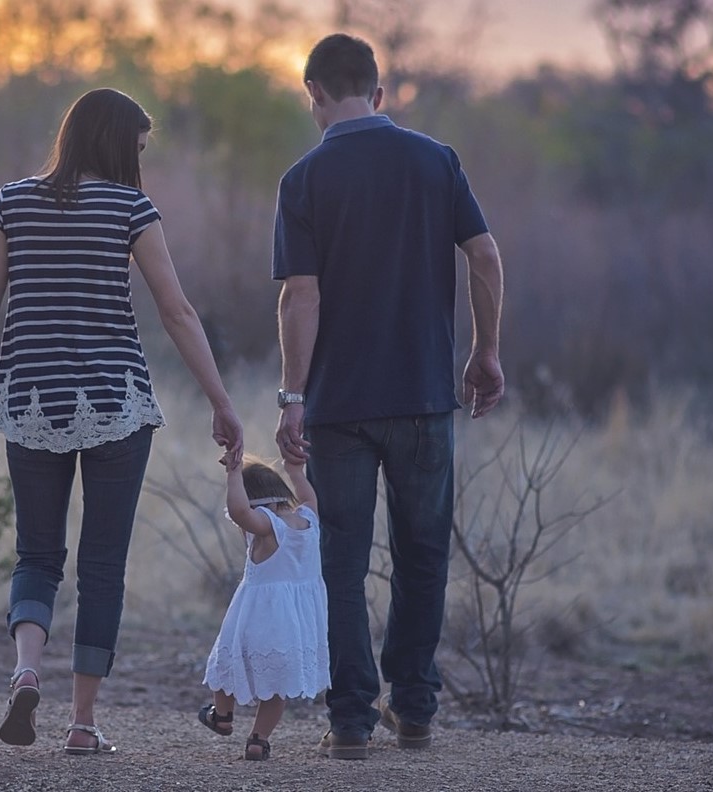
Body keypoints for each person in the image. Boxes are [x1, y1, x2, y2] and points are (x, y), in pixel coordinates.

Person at [0, 87, 243, 755]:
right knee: (102, 566)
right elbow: (177, 312)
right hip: (117, 404)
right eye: (137, 148)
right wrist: (221, 401)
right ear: (117, 144)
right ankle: (82, 723)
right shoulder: (130, 208)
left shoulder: (10, 203)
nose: (139, 161)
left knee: (36, 555)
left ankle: (26, 669)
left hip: (30, 402)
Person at [272, 34, 506, 759]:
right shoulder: (436, 161)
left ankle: (350, 721)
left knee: (341, 562)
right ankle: (414, 709)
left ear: (313, 92)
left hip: (339, 405)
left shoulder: (303, 179)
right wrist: (485, 350)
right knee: (422, 554)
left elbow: (300, 297)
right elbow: (484, 256)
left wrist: (291, 396)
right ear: (378, 93)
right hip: (424, 397)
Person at [197, 453, 330, 761]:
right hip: (295, 625)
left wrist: (233, 474)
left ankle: (223, 716)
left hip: (258, 618)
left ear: (257, 503)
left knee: (226, 664)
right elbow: (309, 498)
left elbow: (240, 511)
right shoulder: (308, 520)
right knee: (276, 686)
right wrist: (296, 471)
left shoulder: (268, 526)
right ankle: (258, 740)